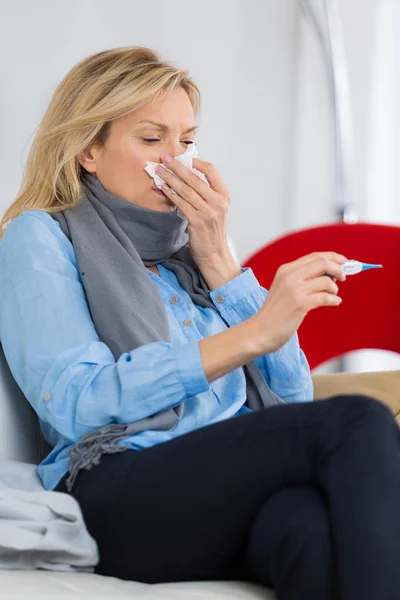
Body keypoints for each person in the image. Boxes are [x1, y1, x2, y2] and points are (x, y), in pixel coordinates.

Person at [0, 46, 399, 600]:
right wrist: (251, 334)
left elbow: (291, 402)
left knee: (305, 525)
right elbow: (76, 400)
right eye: (151, 139)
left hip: (220, 484)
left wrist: (220, 263)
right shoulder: (41, 235)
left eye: (186, 142)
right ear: (88, 148)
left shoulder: (196, 252)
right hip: (120, 488)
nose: (176, 162)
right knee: (358, 420)